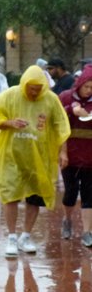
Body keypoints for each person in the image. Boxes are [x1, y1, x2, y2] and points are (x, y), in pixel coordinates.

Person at [0, 65, 70, 257]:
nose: (34, 93)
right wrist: (10, 123)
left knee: (35, 197)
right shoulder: (9, 96)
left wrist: (63, 152)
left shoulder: (51, 100)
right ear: (24, 84)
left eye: (38, 89)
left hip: (39, 158)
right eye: (31, 89)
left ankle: (26, 235)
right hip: (12, 156)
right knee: (10, 194)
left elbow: (62, 127)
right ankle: (11, 237)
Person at [58, 65, 92, 246]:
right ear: (79, 84)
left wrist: (86, 115)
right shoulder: (65, 97)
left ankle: (87, 231)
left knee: (89, 194)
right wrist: (71, 110)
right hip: (69, 154)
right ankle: (67, 219)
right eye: (86, 87)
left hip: (90, 156)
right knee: (70, 192)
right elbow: (56, 119)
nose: (89, 91)